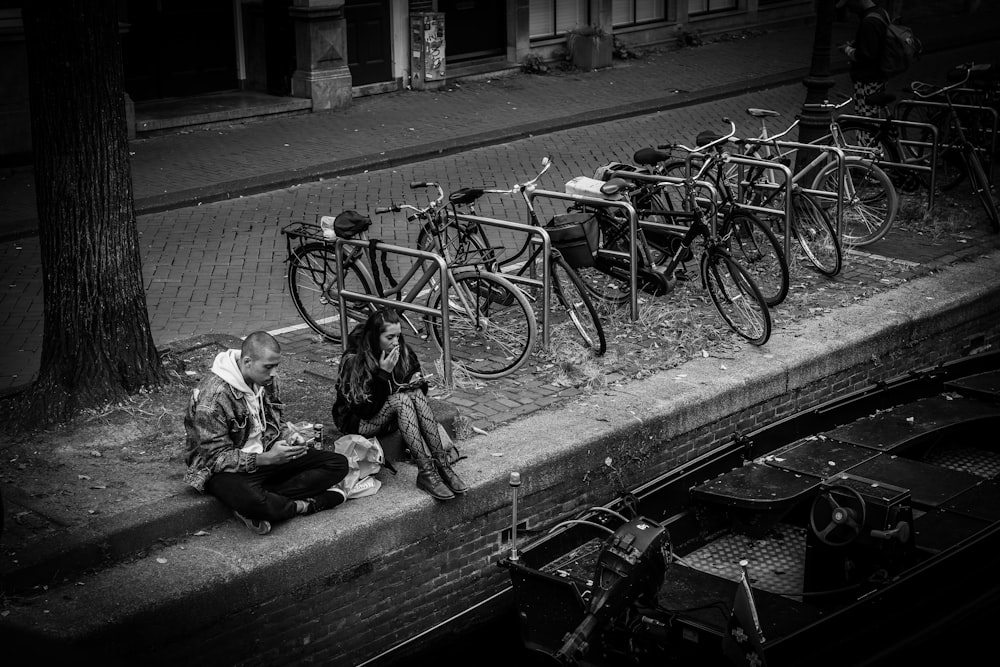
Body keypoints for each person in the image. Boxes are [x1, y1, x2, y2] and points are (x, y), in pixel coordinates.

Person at [184, 331, 350, 535]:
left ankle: (263, 501)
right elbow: (215, 459)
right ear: (247, 362)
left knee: (338, 464)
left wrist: (288, 436)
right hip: (225, 471)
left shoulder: (266, 380)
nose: (274, 373)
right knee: (251, 498)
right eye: (268, 367)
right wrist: (265, 459)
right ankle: (304, 505)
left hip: (266, 456)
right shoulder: (213, 399)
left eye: (276, 366)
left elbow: (275, 422)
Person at [332, 308, 468, 501]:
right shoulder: (354, 359)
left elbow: (420, 392)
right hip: (358, 420)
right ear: (374, 337)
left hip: (395, 413)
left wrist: (418, 382)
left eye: (398, 336)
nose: (396, 342)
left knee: (415, 396)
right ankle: (426, 473)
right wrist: (383, 374)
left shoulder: (400, 349)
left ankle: (441, 465)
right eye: (389, 337)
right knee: (403, 400)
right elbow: (364, 410)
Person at [838, 0, 889, 119]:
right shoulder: (881, 13)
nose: (850, 9)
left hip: (867, 79)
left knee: (865, 117)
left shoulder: (869, 22)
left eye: (849, 4)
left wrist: (847, 49)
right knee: (873, 114)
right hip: (878, 76)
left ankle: (868, 137)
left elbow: (865, 55)